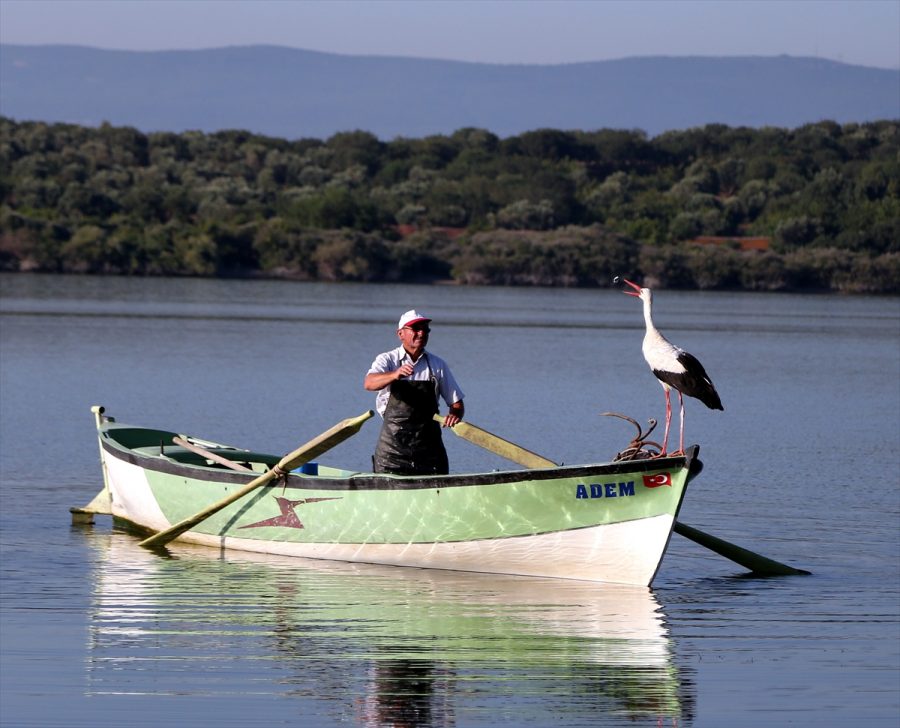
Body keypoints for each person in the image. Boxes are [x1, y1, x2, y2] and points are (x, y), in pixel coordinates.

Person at [364, 309, 465, 475]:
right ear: (400, 334)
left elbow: (457, 404)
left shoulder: (437, 365)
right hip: (391, 451)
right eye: (416, 329)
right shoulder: (387, 360)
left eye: (425, 329)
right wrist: (394, 375)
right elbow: (369, 383)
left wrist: (454, 415)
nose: (422, 333)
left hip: (429, 450)